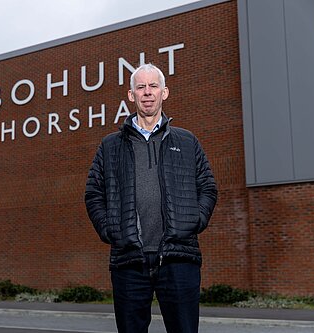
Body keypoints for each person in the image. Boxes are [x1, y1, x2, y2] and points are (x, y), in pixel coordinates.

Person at [85, 63, 217, 333]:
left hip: (178, 258)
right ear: (131, 95)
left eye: (153, 86)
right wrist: (110, 229)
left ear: (164, 92)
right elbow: (93, 192)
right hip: (129, 260)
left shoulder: (187, 141)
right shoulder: (111, 145)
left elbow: (208, 187)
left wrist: (195, 220)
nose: (147, 92)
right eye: (141, 87)